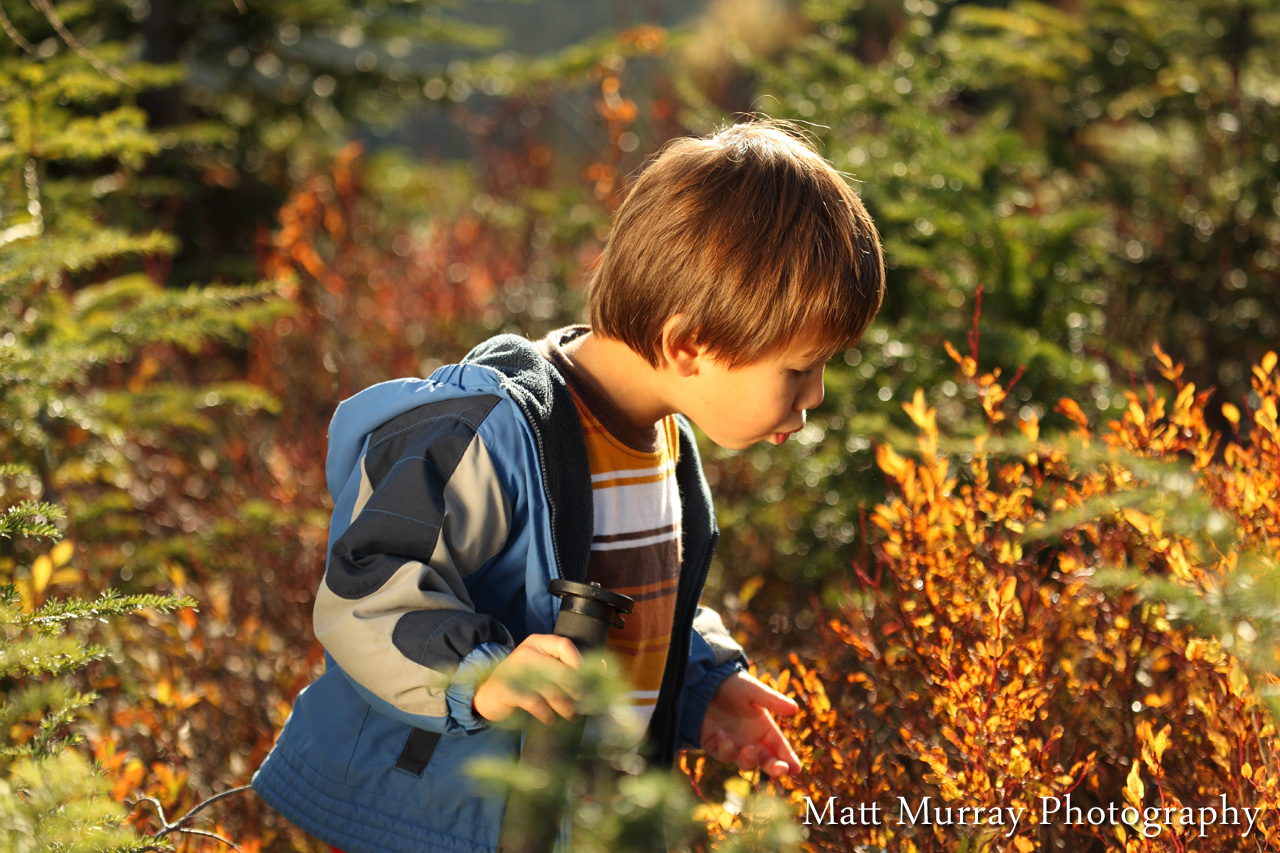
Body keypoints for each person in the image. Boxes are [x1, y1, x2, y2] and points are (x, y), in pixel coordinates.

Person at [253, 119, 885, 853]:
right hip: (450, 826)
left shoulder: (662, 440)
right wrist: (483, 674)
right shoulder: (489, 436)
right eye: (800, 368)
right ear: (688, 345)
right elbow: (367, 591)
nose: (814, 397)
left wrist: (702, 682)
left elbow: (635, 602)